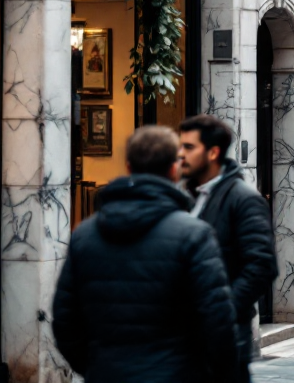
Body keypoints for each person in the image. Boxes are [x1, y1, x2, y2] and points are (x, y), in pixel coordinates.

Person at [52, 126, 238, 383]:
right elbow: (218, 321)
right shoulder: (194, 234)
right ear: (174, 169)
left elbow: (65, 319)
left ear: (128, 166)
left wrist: (95, 366)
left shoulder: (85, 235)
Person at [178, 115, 278, 383]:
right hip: (186, 343)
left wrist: (222, 311)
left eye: (189, 147)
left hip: (224, 340)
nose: (181, 154)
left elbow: (261, 266)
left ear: (213, 153)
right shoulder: (188, 197)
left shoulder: (242, 199)